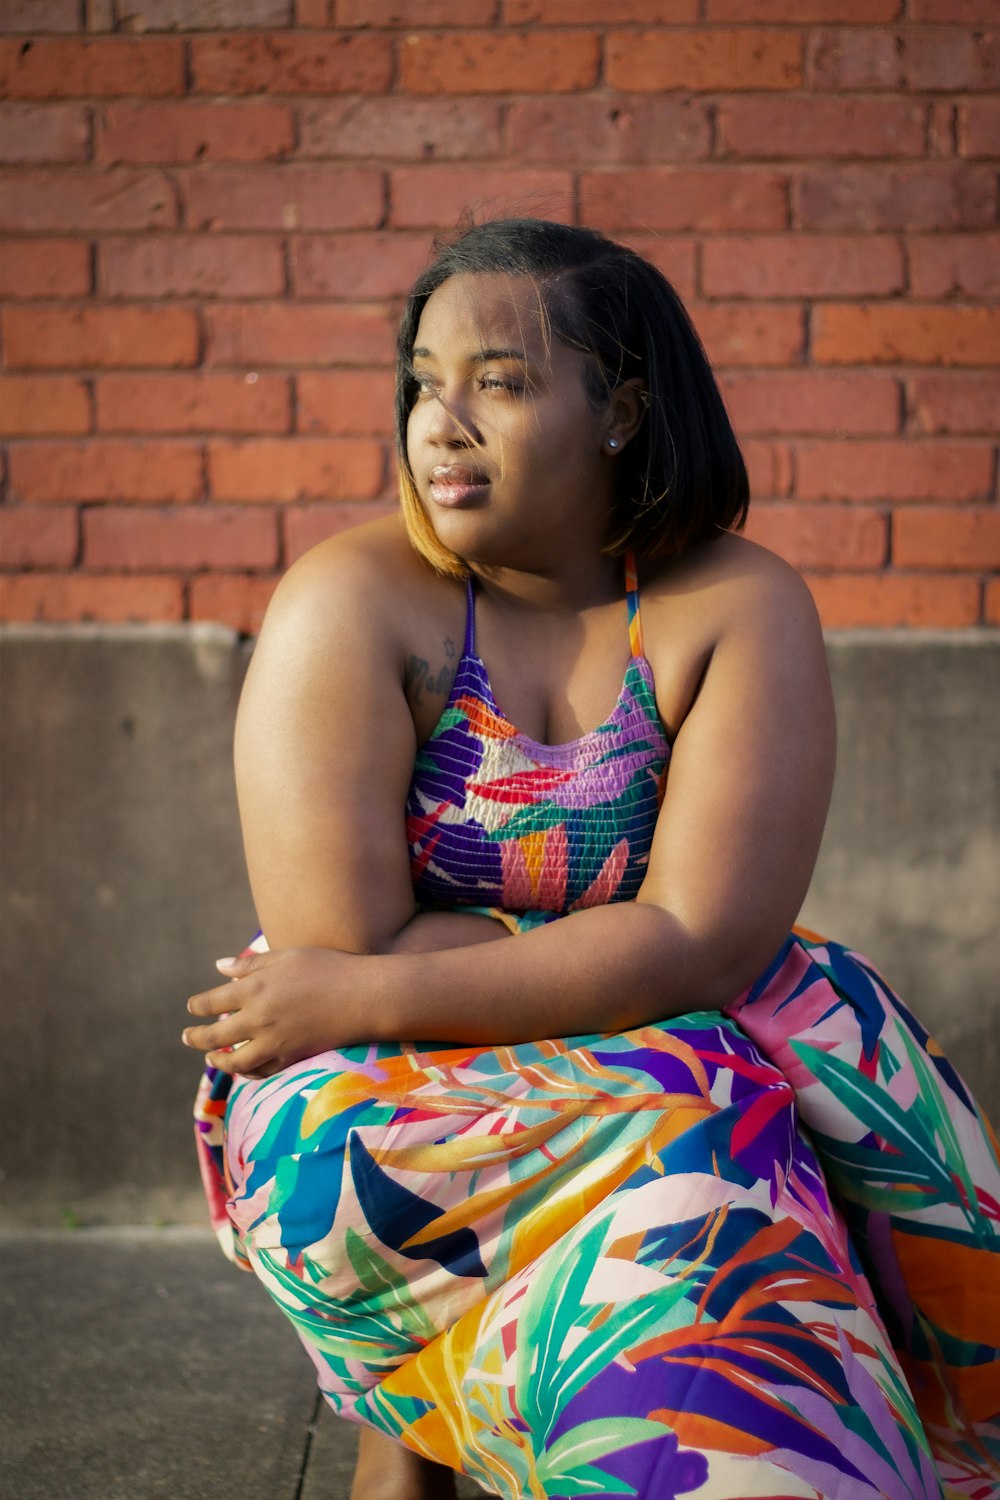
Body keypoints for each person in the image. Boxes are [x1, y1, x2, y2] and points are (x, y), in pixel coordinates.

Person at [185, 218, 999, 1500]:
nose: (439, 419)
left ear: (619, 410)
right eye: (421, 381)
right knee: (709, 1118)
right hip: (385, 1095)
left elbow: (707, 942)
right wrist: (620, 957)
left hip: (613, 1040)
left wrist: (394, 978)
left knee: (748, 1107)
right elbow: (336, 951)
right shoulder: (353, 604)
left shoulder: (734, 605)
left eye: (496, 382)